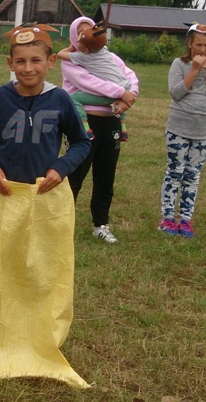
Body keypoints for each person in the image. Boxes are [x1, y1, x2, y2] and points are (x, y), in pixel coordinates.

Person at [0, 23, 92, 388]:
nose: (28, 68)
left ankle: (35, 334)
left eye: (36, 61)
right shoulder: (0, 98)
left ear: (50, 62)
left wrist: (61, 168)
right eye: (20, 61)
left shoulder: (60, 100)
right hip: (3, 198)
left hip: (43, 200)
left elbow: (80, 142)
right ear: (10, 63)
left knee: (39, 269)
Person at [62, 16, 139, 244]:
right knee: (75, 175)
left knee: (106, 176)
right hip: (84, 124)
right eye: (82, 30)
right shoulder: (71, 62)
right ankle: (61, 223)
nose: (89, 32)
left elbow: (130, 76)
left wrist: (130, 95)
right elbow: (87, 83)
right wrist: (120, 92)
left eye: (92, 28)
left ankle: (100, 224)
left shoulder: (111, 57)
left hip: (111, 122)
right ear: (76, 37)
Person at [159, 23, 206, 238]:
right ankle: (168, 217)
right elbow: (176, 93)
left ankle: (186, 219)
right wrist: (195, 70)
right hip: (179, 127)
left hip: (204, 129)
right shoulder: (178, 64)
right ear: (189, 44)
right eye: (198, 44)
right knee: (175, 172)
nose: (203, 49)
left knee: (192, 175)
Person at [56, 20, 130, 140]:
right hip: (123, 91)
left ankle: (86, 128)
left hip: (111, 103)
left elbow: (60, 53)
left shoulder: (83, 56)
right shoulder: (106, 53)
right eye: (80, 32)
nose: (81, 36)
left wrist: (71, 46)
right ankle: (124, 129)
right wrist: (124, 93)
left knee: (73, 98)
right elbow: (128, 77)